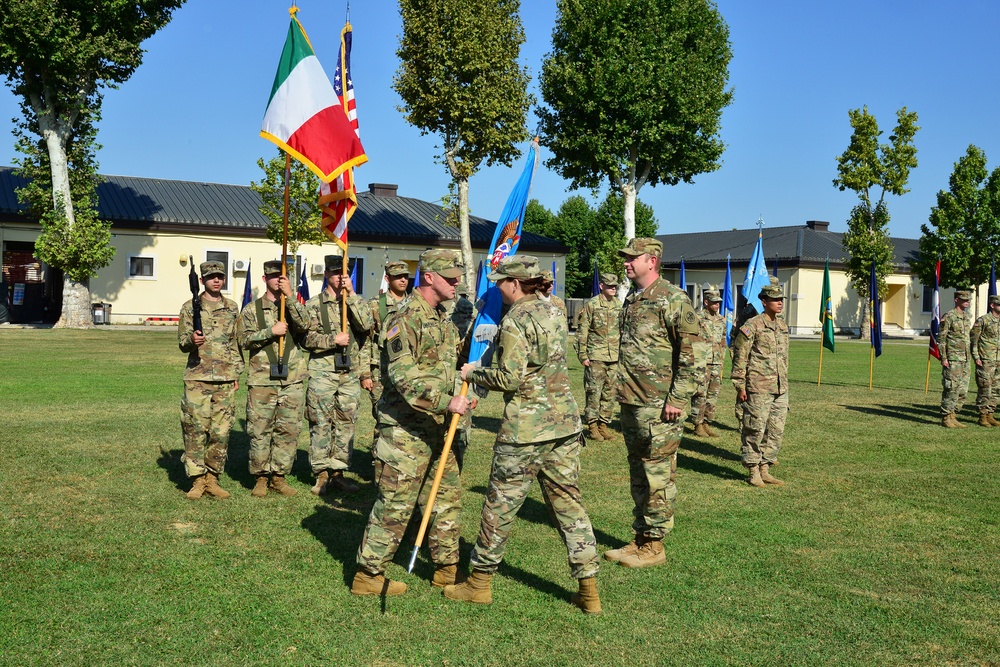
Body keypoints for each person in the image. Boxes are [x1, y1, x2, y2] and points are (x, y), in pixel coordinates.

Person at [447, 255, 601, 614]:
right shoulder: (555, 312)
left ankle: (479, 584)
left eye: (501, 282)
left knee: (499, 507)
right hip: (563, 425)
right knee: (570, 507)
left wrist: (473, 373)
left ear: (515, 284)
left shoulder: (515, 320)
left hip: (526, 431)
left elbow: (509, 378)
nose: (498, 288)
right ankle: (589, 590)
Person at [352, 249, 471, 597]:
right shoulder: (403, 319)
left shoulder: (441, 318)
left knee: (446, 499)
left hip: (439, 427)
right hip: (406, 430)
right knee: (395, 504)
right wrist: (448, 401)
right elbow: (404, 378)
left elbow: (443, 367)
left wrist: (460, 392)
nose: (456, 284)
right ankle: (368, 574)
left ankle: (447, 568)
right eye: (450, 279)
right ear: (429, 277)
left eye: (458, 278)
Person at [606, 238, 705, 569]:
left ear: (652, 260)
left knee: (658, 475)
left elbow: (692, 353)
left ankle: (655, 546)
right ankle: (641, 537)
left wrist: (677, 398)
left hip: (660, 405)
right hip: (633, 401)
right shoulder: (633, 300)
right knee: (639, 471)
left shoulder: (673, 299)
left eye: (632, 258)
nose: (626, 263)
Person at [237, 260, 311, 498]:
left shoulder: (294, 305)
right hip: (262, 380)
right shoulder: (251, 309)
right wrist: (271, 332)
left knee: (288, 430)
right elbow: (243, 340)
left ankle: (279, 477)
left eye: (282, 277)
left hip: (292, 379)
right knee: (260, 430)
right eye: (273, 277)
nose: (278, 280)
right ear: (264, 279)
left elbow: (306, 325)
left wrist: (290, 297)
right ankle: (260, 477)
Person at [304, 255, 374, 495]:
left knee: (346, 423)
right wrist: (331, 339)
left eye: (343, 274)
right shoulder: (314, 305)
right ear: (326, 275)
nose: (339, 278)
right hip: (323, 372)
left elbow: (367, 326)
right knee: (320, 422)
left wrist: (352, 295)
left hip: (349, 373)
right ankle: (321, 474)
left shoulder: (356, 302)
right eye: (334, 273)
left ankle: (338, 472)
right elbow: (305, 339)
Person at [177, 260, 244, 500]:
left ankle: (212, 478)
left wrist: (236, 373)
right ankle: (197, 480)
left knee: (221, 431)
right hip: (198, 377)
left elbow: (235, 343)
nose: (217, 280)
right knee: (195, 429)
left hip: (225, 379)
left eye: (220, 276)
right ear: (203, 280)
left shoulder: (232, 308)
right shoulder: (189, 307)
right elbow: (182, 342)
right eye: (211, 276)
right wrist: (191, 341)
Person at [731, 284, 789, 488]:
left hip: (780, 387)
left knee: (775, 430)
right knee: (755, 428)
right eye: (775, 299)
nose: (780, 302)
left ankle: (765, 468)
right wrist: (740, 385)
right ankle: (753, 469)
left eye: (782, 299)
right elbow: (740, 355)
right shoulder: (752, 325)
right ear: (764, 302)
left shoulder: (782, 325)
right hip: (757, 386)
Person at [575, 272, 621, 441]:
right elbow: (582, 331)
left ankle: (603, 425)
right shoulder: (592, 305)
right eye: (610, 286)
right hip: (596, 356)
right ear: (602, 286)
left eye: (615, 286)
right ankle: (592, 425)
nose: (613, 288)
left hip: (614, 357)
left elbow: (622, 330)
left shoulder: (619, 305)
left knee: (610, 393)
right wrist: (583, 355)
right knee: (594, 392)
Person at [367, 260, 411, 434]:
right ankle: (378, 458)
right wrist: (365, 373)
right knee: (382, 415)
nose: (403, 280)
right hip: (381, 371)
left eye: (405, 276)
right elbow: (366, 340)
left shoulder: (414, 304)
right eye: (397, 277)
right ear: (387, 278)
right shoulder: (376, 304)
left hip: (407, 368)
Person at [691, 286, 726, 438]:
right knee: (700, 393)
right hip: (702, 362)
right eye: (714, 302)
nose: (717, 304)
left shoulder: (721, 320)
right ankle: (697, 424)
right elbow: (691, 340)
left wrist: (722, 359)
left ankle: (707, 422)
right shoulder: (697, 318)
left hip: (716, 361)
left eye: (718, 302)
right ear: (706, 302)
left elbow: (723, 340)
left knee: (713, 394)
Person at [939, 288, 973, 428]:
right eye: (964, 300)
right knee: (951, 388)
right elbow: (941, 339)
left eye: (968, 300)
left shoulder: (966, 317)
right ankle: (946, 416)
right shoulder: (949, 316)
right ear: (956, 300)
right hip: (953, 358)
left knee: (962, 389)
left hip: (965, 359)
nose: (967, 302)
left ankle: (953, 415)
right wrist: (944, 357)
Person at [971, 294, 1000, 427]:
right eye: (999, 304)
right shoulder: (983, 320)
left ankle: (990, 414)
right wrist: (976, 357)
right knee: (985, 388)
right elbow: (974, 340)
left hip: (998, 360)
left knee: (996, 389)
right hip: (986, 360)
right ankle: (982, 416)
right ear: (992, 305)